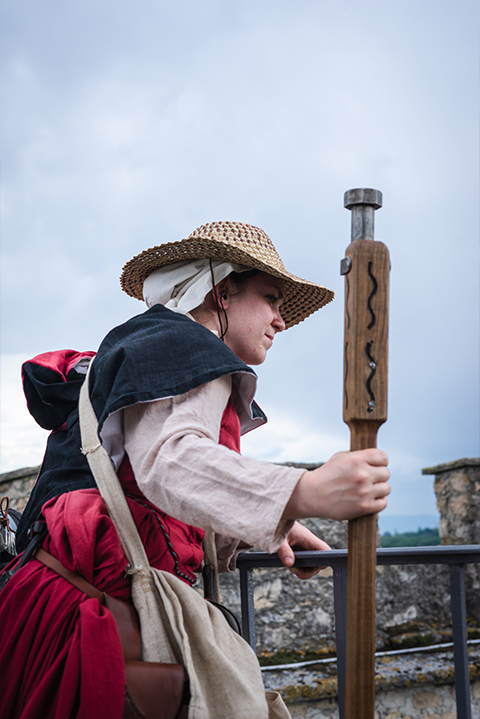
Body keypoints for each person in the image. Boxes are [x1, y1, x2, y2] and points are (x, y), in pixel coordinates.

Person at [0, 221, 390, 719]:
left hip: (47, 604)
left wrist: (273, 526)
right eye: (271, 298)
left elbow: (151, 496)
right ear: (221, 291)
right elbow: (172, 462)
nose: (280, 320)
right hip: (91, 626)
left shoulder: (147, 345)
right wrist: (306, 489)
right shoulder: (187, 346)